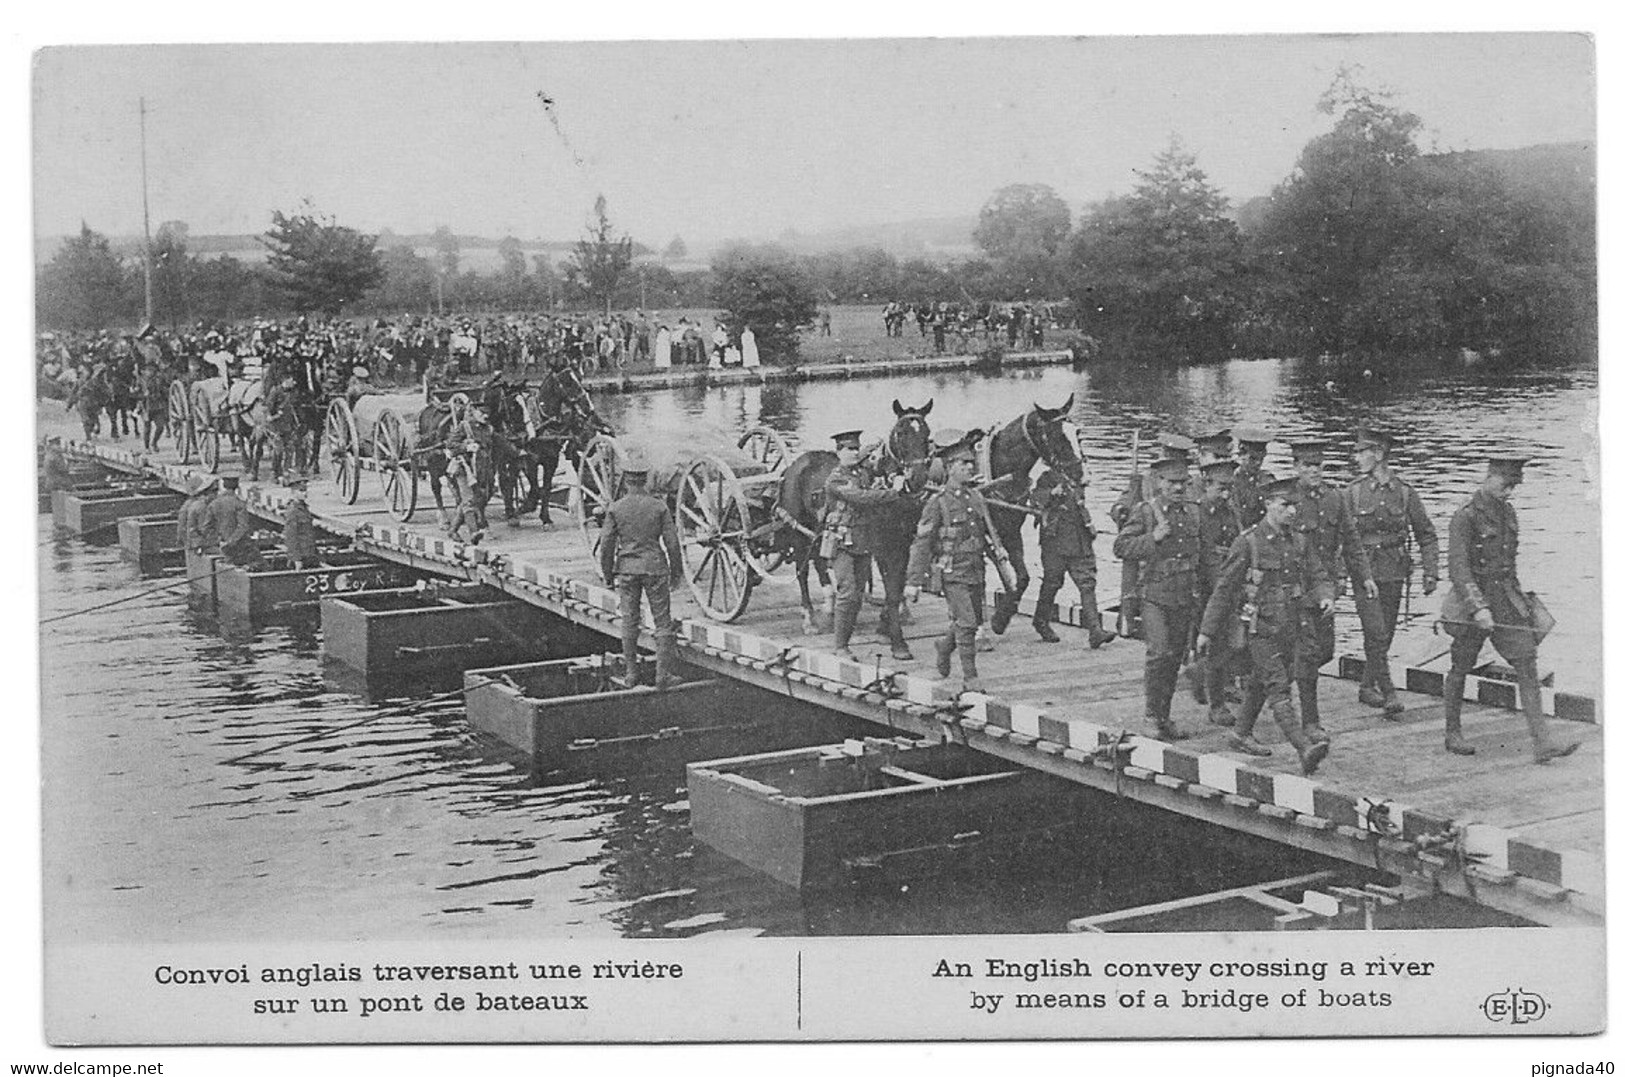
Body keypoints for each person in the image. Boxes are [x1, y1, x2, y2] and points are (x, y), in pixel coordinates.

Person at [1440, 458, 1577, 762]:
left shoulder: (1508, 513)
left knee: (1527, 663)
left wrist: (1521, 605)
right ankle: (1453, 732)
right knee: (1461, 664)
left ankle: (1542, 743)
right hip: (1471, 602)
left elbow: (1508, 566)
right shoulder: (1464, 517)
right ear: (1489, 478)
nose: (1509, 492)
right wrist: (1478, 609)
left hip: (1505, 599)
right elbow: (1459, 570)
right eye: (1506, 485)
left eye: (1514, 486)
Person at [1197, 479, 1333, 775]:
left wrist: (1325, 596)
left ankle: (1241, 733)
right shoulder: (1248, 542)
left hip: (1293, 625)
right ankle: (1303, 748)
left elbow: (1318, 573)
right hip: (1260, 628)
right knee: (1277, 684)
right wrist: (1207, 631)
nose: (1292, 511)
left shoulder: (1298, 541)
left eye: (1295, 505)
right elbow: (1224, 589)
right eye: (1285, 505)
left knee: (1262, 678)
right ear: (1268, 505)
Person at [1344, 427, 1439, 716]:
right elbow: (1342, 537)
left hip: (1395, 570)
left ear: (1379, 454)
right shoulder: (1353, 493)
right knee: (1375, 631)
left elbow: (1426, 534)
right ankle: (1388, 693)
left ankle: (1366, 685)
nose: (1356, 457)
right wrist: (1339, 575)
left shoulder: (1405, 493)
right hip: (1365, 572)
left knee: (1386, 634)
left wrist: (1430, 571)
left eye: (1362, 452)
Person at [905, 429, 1008, 694]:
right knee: (968, 623)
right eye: (964, 464)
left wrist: (999, 551)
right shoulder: (937, 503)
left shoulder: (975, 497)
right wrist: (913, 582)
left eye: (971, 463)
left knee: (967, 619)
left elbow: (988, 529)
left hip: (976, 568)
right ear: (950, 468)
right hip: (952, 570)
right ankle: (970, 677)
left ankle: (945, 646)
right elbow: (922, 543)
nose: (970, 468)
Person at [1289, 439, 1375, 743]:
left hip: (1327, 588)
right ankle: (1310, 722)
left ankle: (1281, 680)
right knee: (1309, 653)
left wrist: (1364, 576)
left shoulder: (1335, 498)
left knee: (1325, 650)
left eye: (1318, 466)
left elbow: (1351, 541)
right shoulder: (1289, 499)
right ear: (1296, 467)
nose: (1314, 471)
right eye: (1307, 466)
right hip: (1298, 588)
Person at [1114, 456, 1202, 740]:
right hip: (1154, 595)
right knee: (1158, 653)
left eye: (1182, 482)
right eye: (1171, 482)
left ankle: (1164, 717)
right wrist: (1153, 538)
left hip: (1184, 596)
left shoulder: (1193, 513)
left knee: (1175, 657)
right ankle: (1152, 715)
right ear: (1159, 483)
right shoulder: (1146, 512)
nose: (1178, 488)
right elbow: (1121, 546)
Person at [599, 451, 683, 689]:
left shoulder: (616, 508)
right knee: (662, 622)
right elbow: (673, 543)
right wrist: (676, 573)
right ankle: (662, 676)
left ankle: (631, 673)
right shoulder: (658, 507)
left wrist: (608, 575)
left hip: (626, 569)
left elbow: (606, 545)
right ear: (645, 480)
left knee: (629, 620)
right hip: (655, 568)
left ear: (625, 479)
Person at [820, 429, 902, 661]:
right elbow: (861, 498)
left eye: (857, 448)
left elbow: (877, 478)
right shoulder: (836, 479)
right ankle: (840, 647)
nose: (854, 453)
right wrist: (893, 492)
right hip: (841, 543)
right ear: (839, 452)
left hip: (864, 541)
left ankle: (844, 641)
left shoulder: (863, 473)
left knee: (857, 593)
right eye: (849, 449)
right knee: (847, 593)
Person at [1029, 463, 1115, 648]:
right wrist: (1051, 493)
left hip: (1079, 540)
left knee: (1087, 584)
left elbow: (1080, 507)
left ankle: (1095, 631)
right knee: (1052, 582)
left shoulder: (1079, 477)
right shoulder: (1049, 477)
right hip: (1055, 542)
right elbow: (1034, 498)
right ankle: (1041, 621)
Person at [1192, 458, 1244, 725]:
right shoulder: (1196, 513)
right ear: (1206, 484)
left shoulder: (1230, 513)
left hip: (1225, 586)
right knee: (1215, 645)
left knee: (1226, 645)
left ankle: (1204, 679)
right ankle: (1216, 705)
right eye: (1220, 488)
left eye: (1229, 489)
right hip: (1203, 590)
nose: (1225, 494)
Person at [208, 475, 264, 569]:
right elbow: (243, 526)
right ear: (237, 487)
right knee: (261, 564)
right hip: (240, 545)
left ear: (224, 486)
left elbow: (207, 526)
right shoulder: (239, 504)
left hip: (223, 544)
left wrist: (219, 541)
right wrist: (231, 541)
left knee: (229, 565)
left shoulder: (213, 504)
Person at [1231, 427, 1276, 528]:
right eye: (1253, 459)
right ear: (1241, 455)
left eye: (1261, 459)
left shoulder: (1267, 480)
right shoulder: (1232, 481)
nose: (1258, 463)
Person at [282, 477, 317, 569]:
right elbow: (290, 537)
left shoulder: (303, 508)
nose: (305, 493)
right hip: (301, 556)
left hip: (308, 553)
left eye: (305, 490)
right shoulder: (293, 511)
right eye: (301, 491)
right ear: (293, 493)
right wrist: (296, 559)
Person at [182, 475, 219, 553]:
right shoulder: (203, 507)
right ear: (208, 493)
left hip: (195, 542)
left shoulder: (196, 504)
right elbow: (204, 529)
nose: (216, 494)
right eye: (214, 491)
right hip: (201, 545)